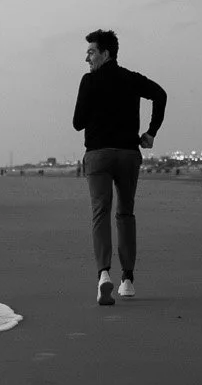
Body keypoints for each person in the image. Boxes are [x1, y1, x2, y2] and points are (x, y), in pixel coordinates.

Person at [72, 29, 167, 306]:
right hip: (127, 155)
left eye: (91, 52)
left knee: (101, 212)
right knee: (125, 213)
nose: (86, 58)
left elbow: (78, 122)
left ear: (105, 53)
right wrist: (151, 132)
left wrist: (95, 107)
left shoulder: (89, 81)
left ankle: (103, 275)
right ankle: (127, 280)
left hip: (98, 155)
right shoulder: (131, 79)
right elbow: (160, 95)